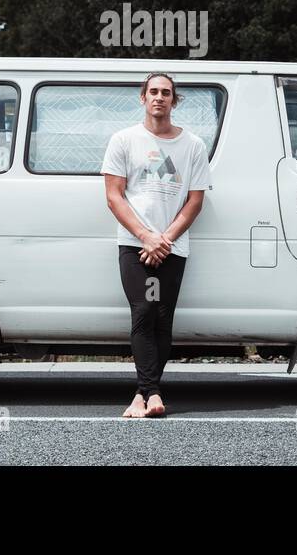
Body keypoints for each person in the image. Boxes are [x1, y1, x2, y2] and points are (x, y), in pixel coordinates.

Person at [102, 72, 210, 419]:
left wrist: (165, 239)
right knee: (144, 312)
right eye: (153, 92)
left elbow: (194, 201)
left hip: (172, 248)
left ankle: (142, 395)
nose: (159, 97)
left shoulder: (193, 145)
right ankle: (152, 392)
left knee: (163, 319)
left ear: (174, 100)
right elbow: (114, 196)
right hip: (135, 246)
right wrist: (146, 237)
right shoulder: (124, 139)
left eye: (166, 93)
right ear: (143, 97)